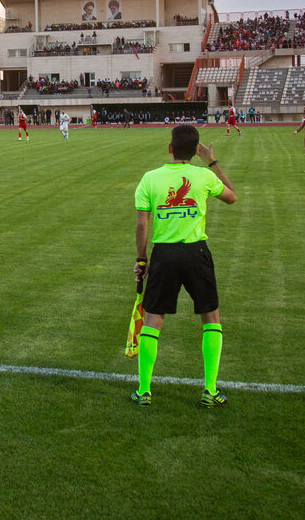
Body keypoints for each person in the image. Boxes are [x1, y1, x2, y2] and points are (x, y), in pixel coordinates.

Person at [132, 124, 236, 407]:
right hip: (196, 253)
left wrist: (142, 259)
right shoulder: (203, 175)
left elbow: (143, 224)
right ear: (194, 151)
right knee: (211, 318)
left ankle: (144, 391)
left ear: (170, 148)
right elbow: (231, 195)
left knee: (153, 320)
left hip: (163, 255)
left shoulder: (150, 178)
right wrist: (211, 161)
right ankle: (210, 390)